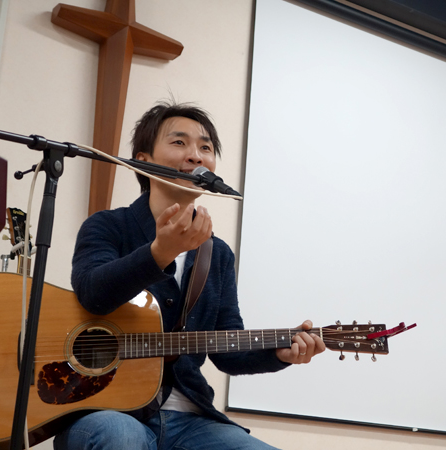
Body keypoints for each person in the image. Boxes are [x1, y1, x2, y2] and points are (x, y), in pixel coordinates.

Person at [54, 101, 325, 450]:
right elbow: (93, 293)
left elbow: (227, 348)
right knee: (121, 437)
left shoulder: (217, 254)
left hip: (192, 419)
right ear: (143, 160)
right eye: (179, 142)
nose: (196, 156)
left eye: (206, 148)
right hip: (105, 410)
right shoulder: (108, 226)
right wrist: (159, 253)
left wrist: (278, 355)